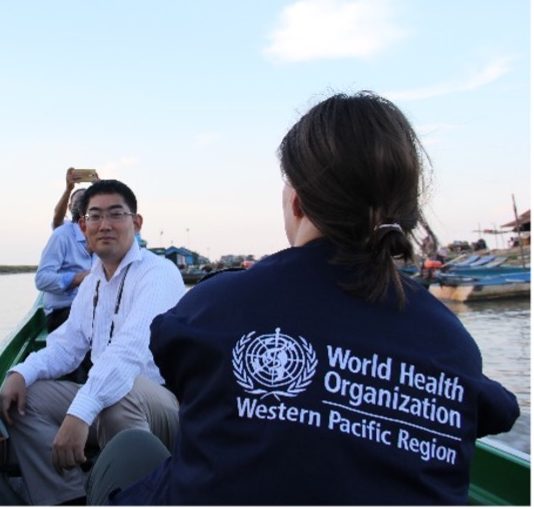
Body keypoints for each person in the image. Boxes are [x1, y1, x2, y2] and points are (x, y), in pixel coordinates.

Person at [87, 91, 520, 505]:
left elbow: (175, 359)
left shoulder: (217, 305)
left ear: (297, 202)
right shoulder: (454, 343)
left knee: (132, 451)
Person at [0, 179, 186, 506]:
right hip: (111, 400)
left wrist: (81, 412)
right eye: (95, 217)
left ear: (136, 222)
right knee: (28, 398)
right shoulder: (93, 283)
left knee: (119, 396)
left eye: (116, 214)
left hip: (161, 404)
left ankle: (137, 497)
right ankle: (69, 496)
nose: (105, 225)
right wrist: (21, 373)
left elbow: (130, 352)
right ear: (83, 226)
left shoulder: (159, 273)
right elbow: (66, 347)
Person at [36, 183, 94, 333]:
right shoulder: (62, 234)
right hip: (63, 312)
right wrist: (80, 278)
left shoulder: (102, 235)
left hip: (92, 308)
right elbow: (42, 280)